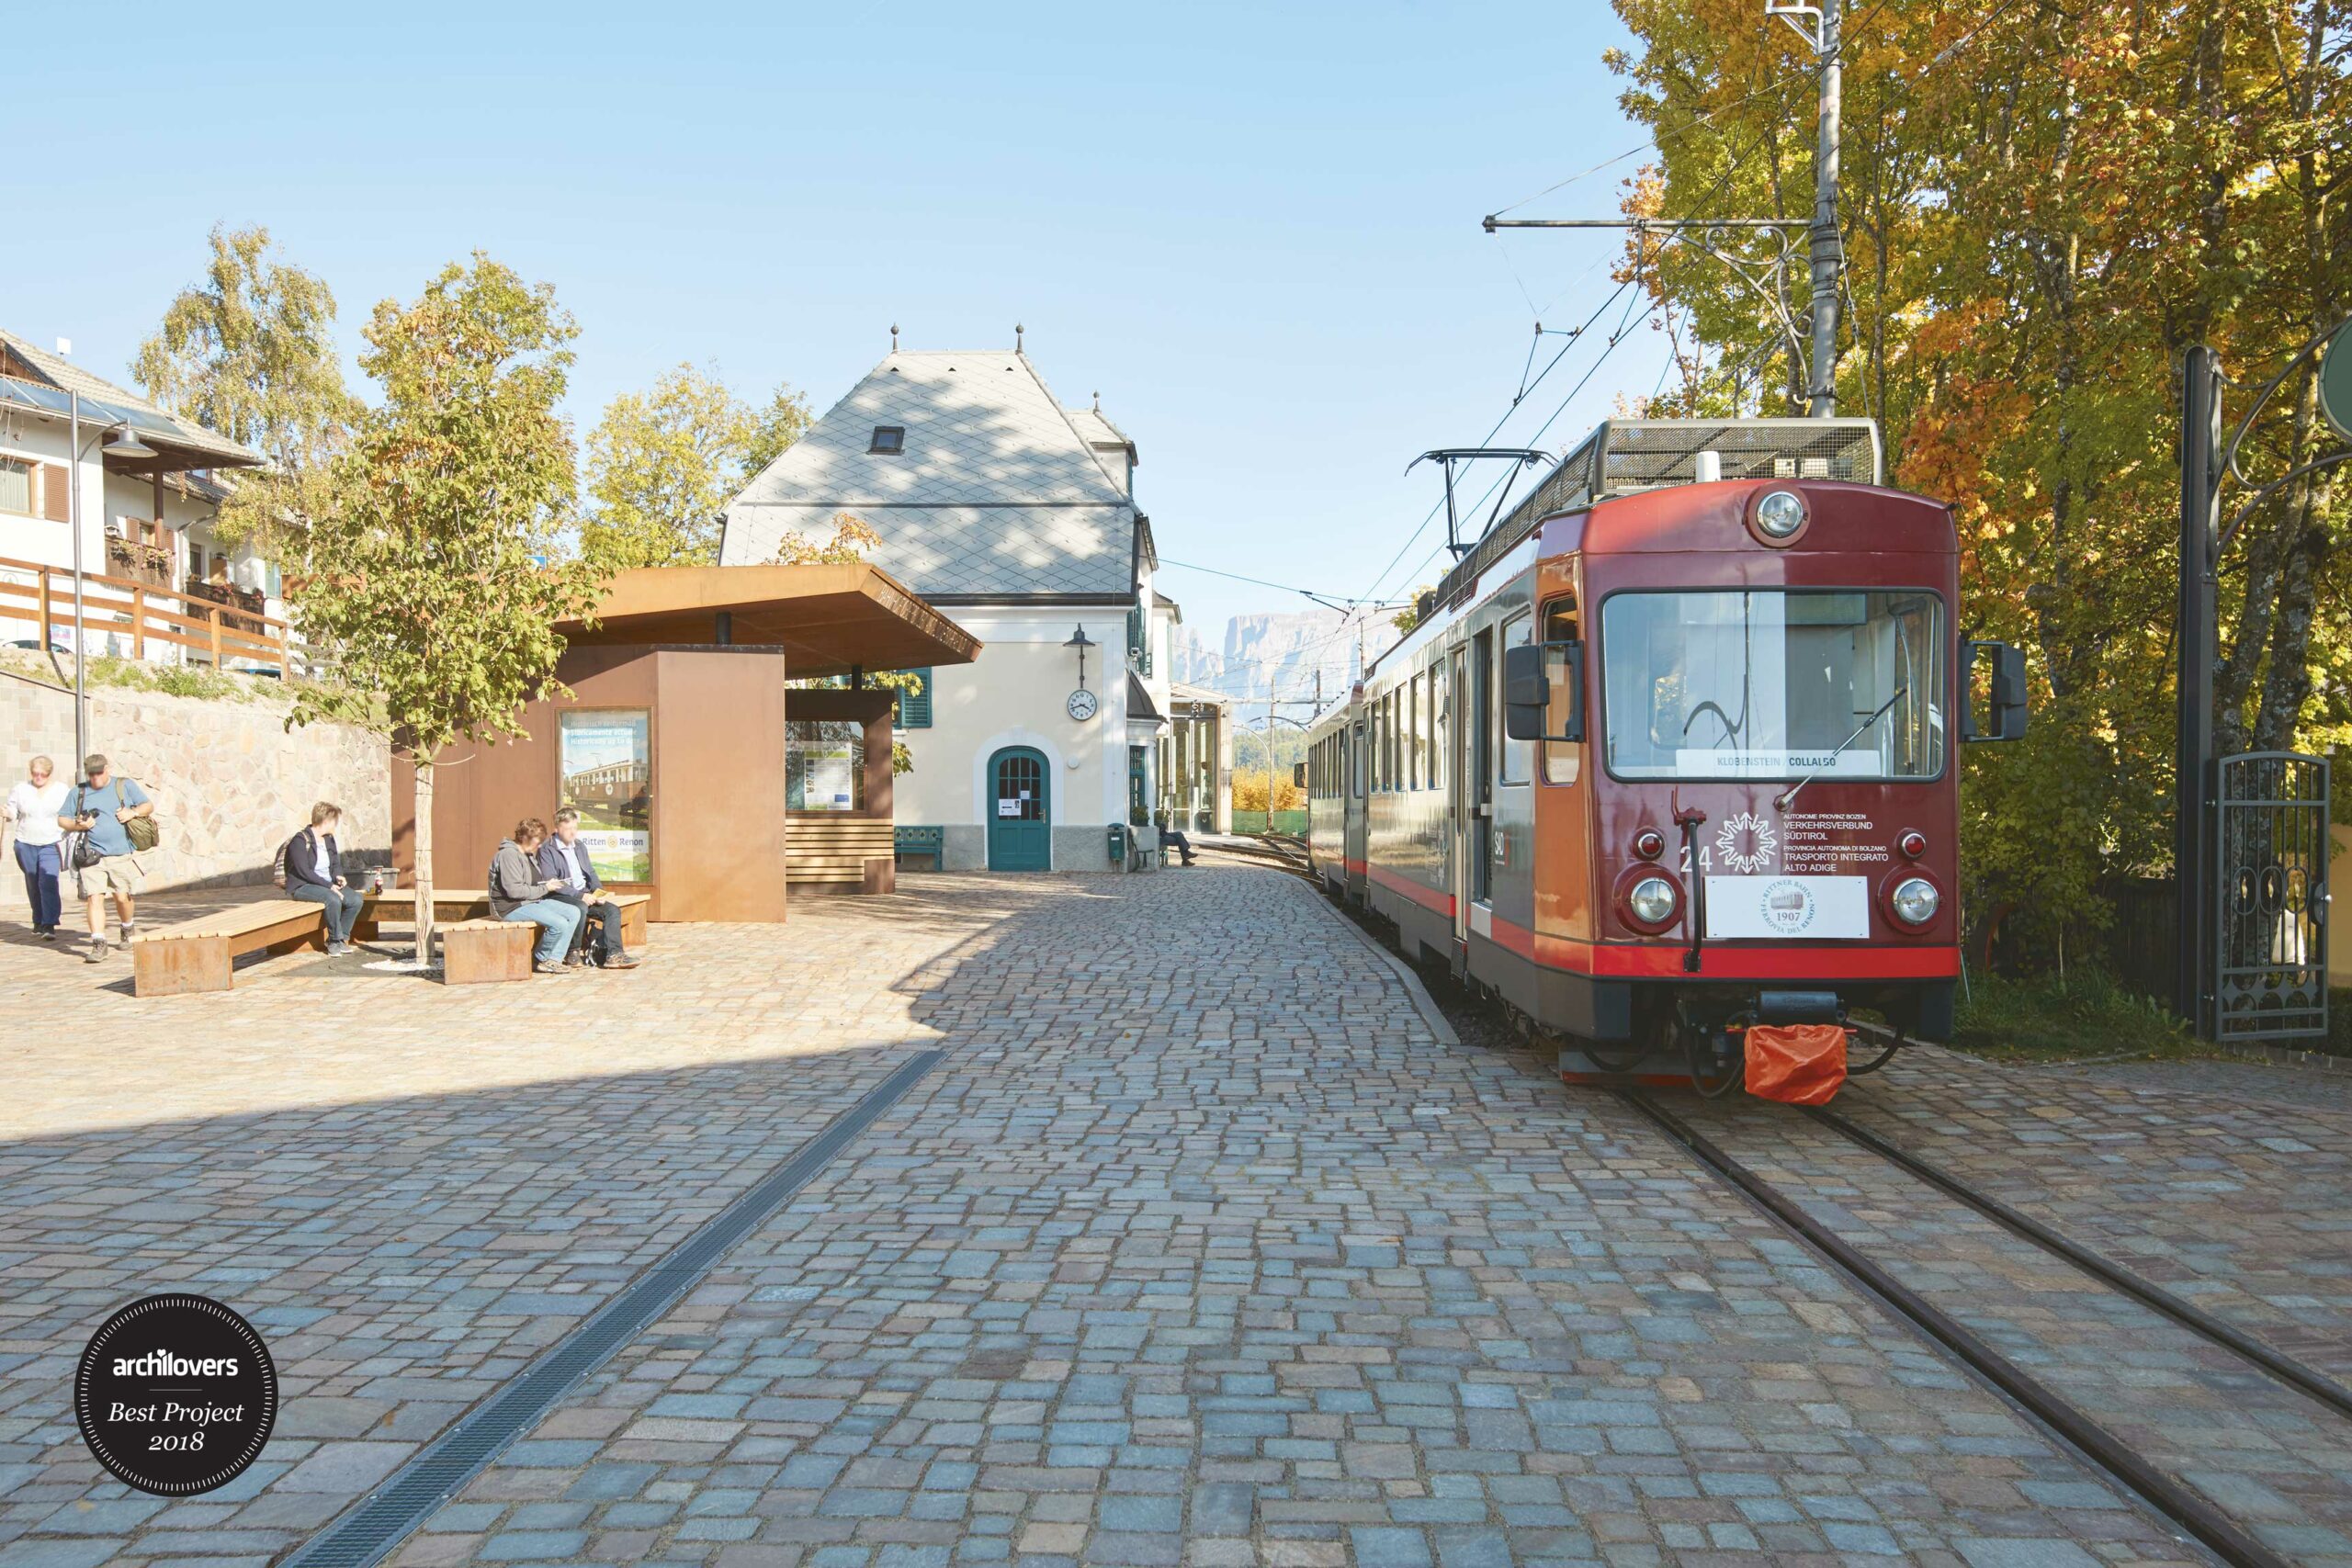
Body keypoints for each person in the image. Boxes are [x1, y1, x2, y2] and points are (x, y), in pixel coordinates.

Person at [59, 753, 153, 964]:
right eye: (92, 774)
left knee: (122, 897)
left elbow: (148, 805)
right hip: (91, 855)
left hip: (120, 853)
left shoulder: (124, 785)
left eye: (99, 772)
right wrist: (78, 825)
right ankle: (98, 943)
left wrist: (133, 813)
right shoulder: (79, 791)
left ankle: (127, 926)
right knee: (94, 897)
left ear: (107, 769)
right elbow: (62, 819)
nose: (96, 778)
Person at [536, 807, 639, 970]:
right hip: (559, 896)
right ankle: (572, 952)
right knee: (581, 907)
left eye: (575, 828)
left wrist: (598, 891)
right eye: (568, 828)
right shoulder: (547, 850)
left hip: (584, 893)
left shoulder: (579, 846)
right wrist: (579, 895)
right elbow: (553, 882)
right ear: (557, 828)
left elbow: (590, 872)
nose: (572, 833)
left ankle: (614, 955)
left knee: (612, 911)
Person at [489, 818, 581, 976]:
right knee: (559, 923)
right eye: (537, 842)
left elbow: (532, 883)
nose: (539, 846)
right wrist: (546, 888)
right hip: (510, 907)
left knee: (574, 912)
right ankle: (539, 959)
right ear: (525, 838)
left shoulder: (528, 854)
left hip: (531, 901)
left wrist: (549, 884)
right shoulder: (508, 855)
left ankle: (554, 959)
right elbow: (514, 891)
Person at [282, 801, 367, 955]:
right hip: (304, 885)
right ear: (326, 821)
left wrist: (338, 876)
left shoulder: (328, 839)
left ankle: (342, 939)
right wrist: (329, 886)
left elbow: (335, 863)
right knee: (333, 899)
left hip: (327, 884)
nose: (336, 825)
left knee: (356, 899)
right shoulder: (300, 840)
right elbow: (303, 871)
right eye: (335, 821)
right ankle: (334, 941)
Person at [6, 755, 68, 938]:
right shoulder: (21, 789)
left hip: (52, 842)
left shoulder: (61, 790)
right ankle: (38, 919)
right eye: (35, 773)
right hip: (25, 842)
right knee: (33, 882)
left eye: (43, 774)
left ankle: (49, 923)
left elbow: (70, 811)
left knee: (47, 881)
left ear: (50, 774)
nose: (39, 777)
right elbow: (12, 812)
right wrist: (6, 813)